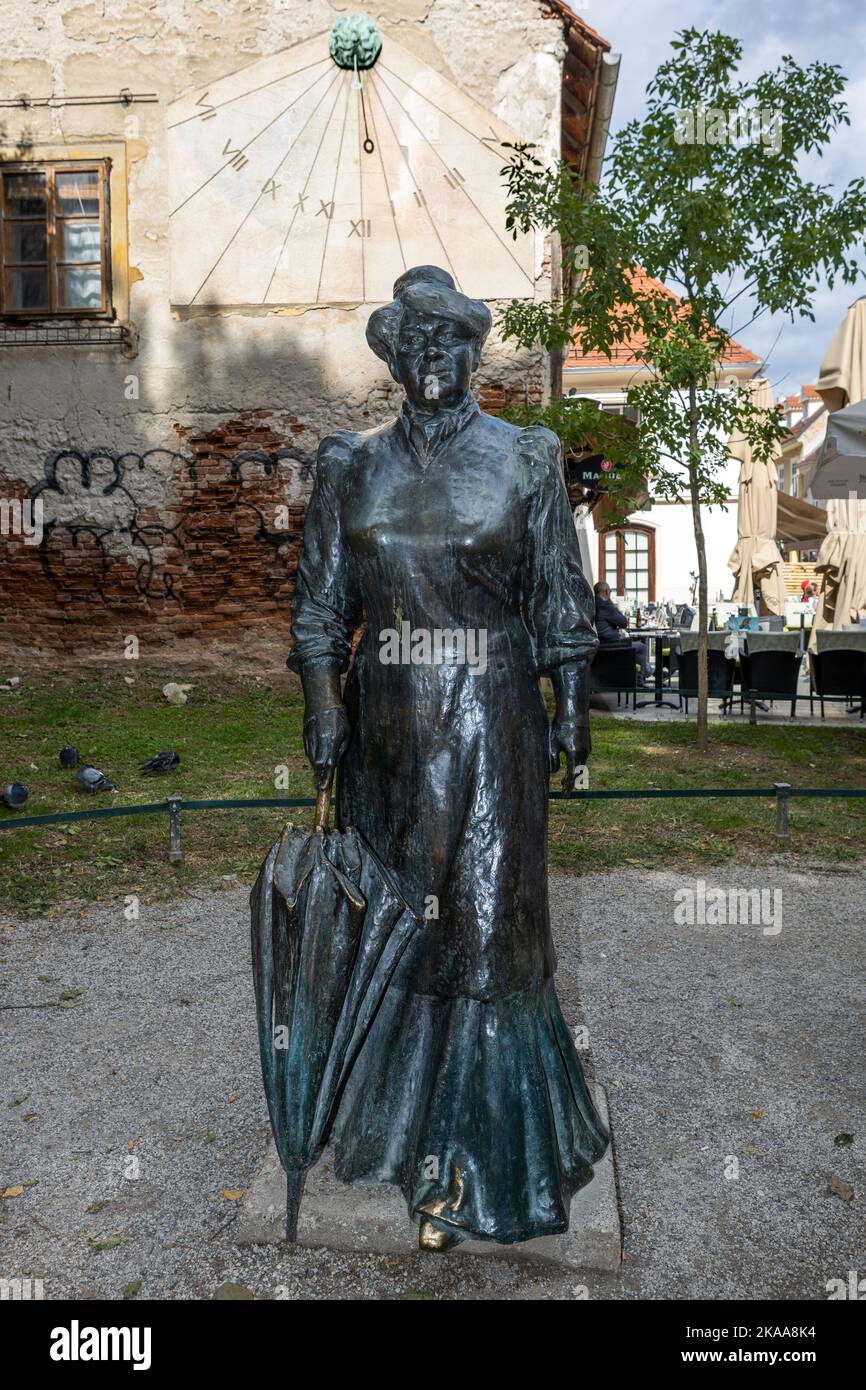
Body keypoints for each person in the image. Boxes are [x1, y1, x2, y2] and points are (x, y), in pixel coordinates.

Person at [287, 265, 608, 1252]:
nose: (433, 358)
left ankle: (474, 1162)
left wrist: (572, 709)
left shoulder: (525, 457)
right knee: (395, 931)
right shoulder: (350, 465)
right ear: (392, 359)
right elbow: (318, 608)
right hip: (384, 728)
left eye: (450, 340)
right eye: (413, 342)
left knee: (484, 932)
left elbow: (559, 603)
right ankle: (389, 1135)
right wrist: (322, 704)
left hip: (490, 726)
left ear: (475, 352)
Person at [593, 580, 653, 681]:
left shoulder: (593, 604)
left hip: (599, 644)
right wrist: (611, 603)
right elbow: (623, 622)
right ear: (606, 592)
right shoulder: (606, 605)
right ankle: (640, 678)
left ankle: (650, 670)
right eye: (610, 592)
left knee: (632, 642)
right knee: (642, 647)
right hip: (612, 645)